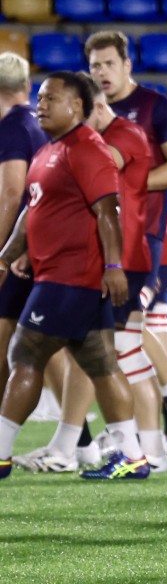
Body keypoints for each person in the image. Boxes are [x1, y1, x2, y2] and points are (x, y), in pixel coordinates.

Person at [14, 74, 167, 474]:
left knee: (31, 352)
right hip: (71, 268)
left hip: (84, 270)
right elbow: (37, 210)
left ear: (81, 107)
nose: (41, 104)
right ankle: (130, 455)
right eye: (40, 97)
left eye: (52, 98)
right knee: (102, 361)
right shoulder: (53, 150)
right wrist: (15, 253)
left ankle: (149, 447)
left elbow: (108, 209)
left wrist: (113, 265)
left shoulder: (94, 145)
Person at [86, 30, 167, 459]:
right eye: (95, 65)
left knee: (128, 341)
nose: (102, 72)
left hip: (146, 241)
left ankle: (148, 437)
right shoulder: (92, 115)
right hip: (112, 243)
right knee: (138, 338)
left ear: (127, 64)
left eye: (109, 63)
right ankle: (145, 433)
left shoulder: (153, 109)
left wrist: (122, 185)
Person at [0, 53, 49, 444]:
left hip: (20, 248)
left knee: (7, 340)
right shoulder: (35, 123)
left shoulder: (13, 127)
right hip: (37, 243)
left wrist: (3, 250)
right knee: (49, 344)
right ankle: (77, 436)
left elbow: (13, 193)